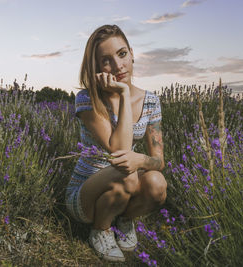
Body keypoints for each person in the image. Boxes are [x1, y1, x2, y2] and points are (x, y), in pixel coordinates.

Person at [65, 24, 167, 262]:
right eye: (106, 60)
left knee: (157, 183)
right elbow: (119, 150)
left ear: (132, 53)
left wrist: (141, 159)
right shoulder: (87, 99)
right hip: (85, 193)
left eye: (122, 54)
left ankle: (124, 219)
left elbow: (158, 161)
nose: (118, 65)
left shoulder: (151, 101)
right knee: (127, 172)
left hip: (126, 183)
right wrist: (121, 94)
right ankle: (100, 229)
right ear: (98, 67)